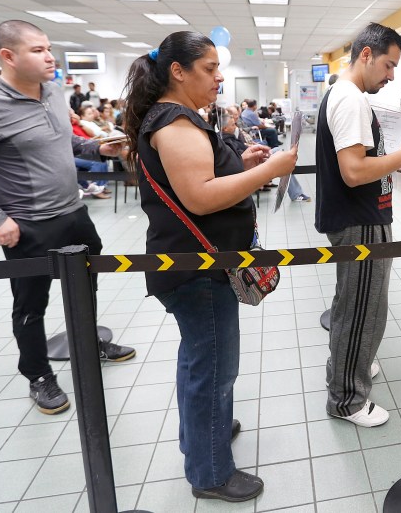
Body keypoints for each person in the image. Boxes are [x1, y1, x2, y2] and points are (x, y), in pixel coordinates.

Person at [0, 19, 135, 416]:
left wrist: (96, 149)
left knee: (84, 286)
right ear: (8, 56)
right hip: (27, 224)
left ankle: (87, 345)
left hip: (73, 212)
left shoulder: (52, 91)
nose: (50, 56)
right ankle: (38, 375)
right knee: (30, 304)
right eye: (38, 50)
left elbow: (62, 141)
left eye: (49, 47)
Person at [122, 31, 296, 502]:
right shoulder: (174, 123)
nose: (219, 78)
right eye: (210, 68)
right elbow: (199, 197)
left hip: (197, 265)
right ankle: (211, 472)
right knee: (214, 367)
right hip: (197, 271)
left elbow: (203, 175)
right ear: (177, 71)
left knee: (201, 359)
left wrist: (241, 162)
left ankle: (205, 434)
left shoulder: (178, 119)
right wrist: (267, 172)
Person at [315, 22, 401, 427]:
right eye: (388, 64)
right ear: (366, 54)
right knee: (361, 310)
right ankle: (346, 398)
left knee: (360, 306)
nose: (392, 75)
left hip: (365, 216)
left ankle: (352, 365)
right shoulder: (349, 99)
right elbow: (353, 171)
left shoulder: (351, 97)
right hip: (359, 221)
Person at [219, 105, 310, 201]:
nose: (235, 125)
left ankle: (295, 193)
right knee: (280, 158)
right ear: (225, 128)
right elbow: (240, 154)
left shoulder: (231, 136)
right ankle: (296, 194)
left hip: (252, 154)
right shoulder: (227, 140)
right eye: (232, 125)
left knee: (278, 153)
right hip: (251, 160)